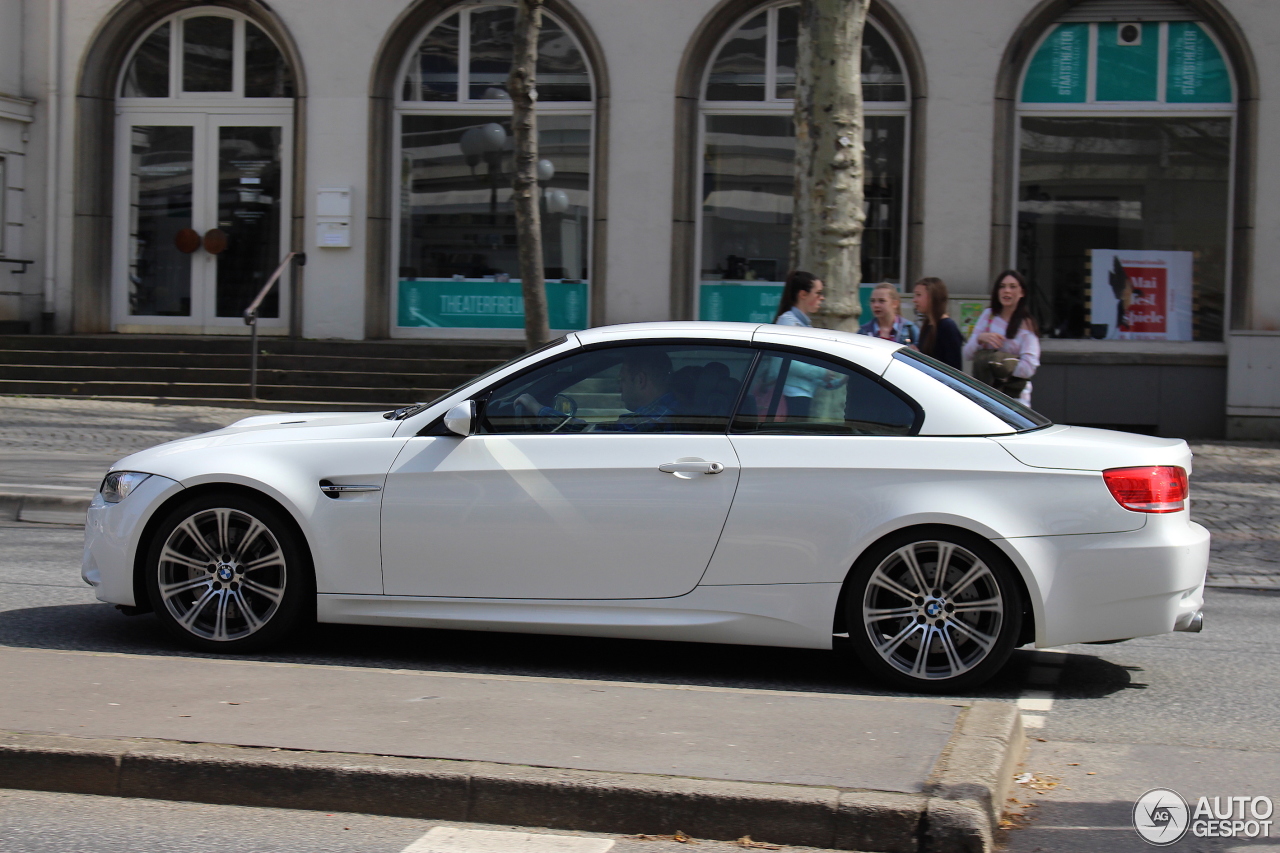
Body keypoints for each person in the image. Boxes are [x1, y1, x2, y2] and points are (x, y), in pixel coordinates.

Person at [515, 349, 680, 432]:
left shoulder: (653, 419)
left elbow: (587, 433)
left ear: (640, 380)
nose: (618, 388)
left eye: (621, 380)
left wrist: (537, 408)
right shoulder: (669, 410)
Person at [962, 270, 1041, 405]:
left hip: (1014, 398)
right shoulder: (988, 316)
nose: (1006, 291)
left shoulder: (1027, 324)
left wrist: (1001, 364)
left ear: (1022, 292)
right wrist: (979, 339)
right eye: (1002, 286)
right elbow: (966, 354)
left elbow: (1029, 367)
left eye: (1012, 286)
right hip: (985, 394)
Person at [911, 277, 964, 369]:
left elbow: (953, 367)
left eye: (918, 295)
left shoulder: (947, 326)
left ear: (932, 297)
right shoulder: (928, 325)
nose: (914, 300)